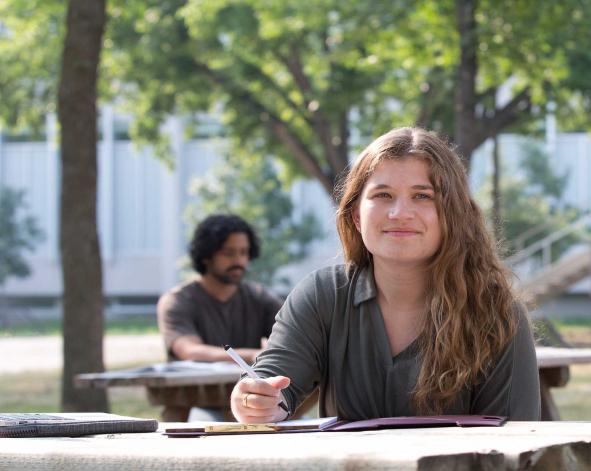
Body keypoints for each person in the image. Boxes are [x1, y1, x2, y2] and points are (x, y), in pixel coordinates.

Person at [230, 127, 540, 423]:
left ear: (453, 215)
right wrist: (255, 400)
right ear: (355, 216)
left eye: (422, 196)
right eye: (383, 195)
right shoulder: (322, 295)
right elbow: (272, 382)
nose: (400, 213)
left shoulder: (497, 314)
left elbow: (514, 443)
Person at [156, 214, 284, 421]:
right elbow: (189, 350)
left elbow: (293, 336)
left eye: (244, 253)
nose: (238, 261)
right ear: (206, 256)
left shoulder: (259, 298)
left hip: (251, 397)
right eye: (228, 253)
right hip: (192, 400)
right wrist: (252, 355)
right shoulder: (178, 300)